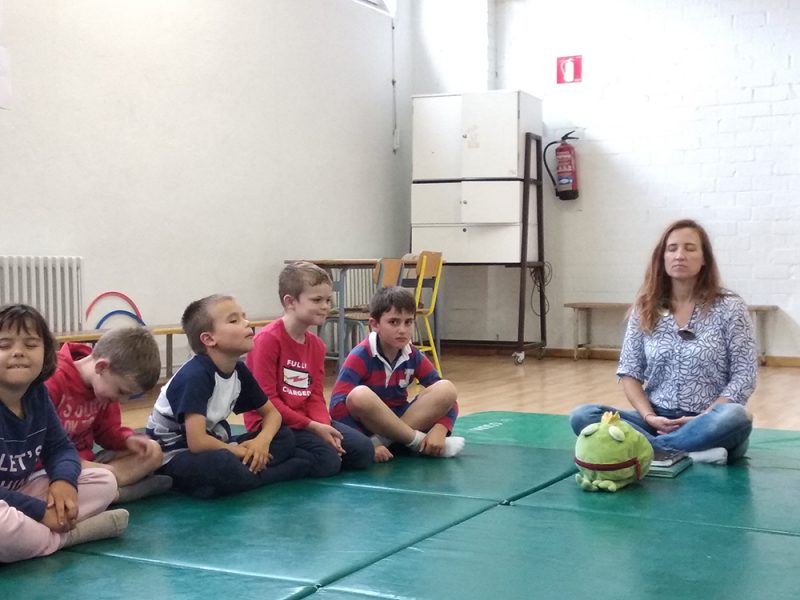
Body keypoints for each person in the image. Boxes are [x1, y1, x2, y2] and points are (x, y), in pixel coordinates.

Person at [569, 219, 757, 465]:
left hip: (709, 421)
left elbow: (744, 376)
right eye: (672, 248)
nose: (680, 255)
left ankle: (652, 450)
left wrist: (703, 417)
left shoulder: (730, 306)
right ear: (662, 257)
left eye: (690, 248)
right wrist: (648, 416)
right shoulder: (645, 306)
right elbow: (629, 372)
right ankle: (685, 452)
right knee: (583, 415)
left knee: (736, 417)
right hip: (655, 420)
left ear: (704, 259)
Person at [146, 294, 312, 498]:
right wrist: (240, 452)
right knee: (222, 464)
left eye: (244, 316)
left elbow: (273, 414)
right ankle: (275, 472)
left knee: (284, 436)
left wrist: (262, 442)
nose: (247, 323)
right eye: (234, 320)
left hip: (216, 443)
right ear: (209, 339)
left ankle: (246, 472)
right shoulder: (195, 375)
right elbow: (197, 442)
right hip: (177, 454)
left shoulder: (238, 370)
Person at [0, 304, 128, 563]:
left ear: (47, 353)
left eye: (31, 344)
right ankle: (66, 537)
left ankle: (34, 535)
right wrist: (39, 511)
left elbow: (60, 448)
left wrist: (63, 482)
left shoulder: (38, 395)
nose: (18, 352)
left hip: (20, 492)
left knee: (104, 481)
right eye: (4, 345)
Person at [243, 262, 373, 477]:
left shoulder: (317, 346)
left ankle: (310, 452)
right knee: (328, 461)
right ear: (290, 302)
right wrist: (313, 427)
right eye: (317, 300)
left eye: (328, 300)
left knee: (363, 451)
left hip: (306, 423)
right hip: (272, 426)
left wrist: (324, 427)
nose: (325, 306)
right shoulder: (267, 340)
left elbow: (315, 396)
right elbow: (267, 401)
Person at [329, 286, 465, 462]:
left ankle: (390, 440)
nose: (402, 329)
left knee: (446, 388)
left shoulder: (413, 355)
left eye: (408, 322)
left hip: (402, 418)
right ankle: (416, 441)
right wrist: (363, 441)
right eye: (394, 322)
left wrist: (441, 428)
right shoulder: (361, 355)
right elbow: (337, 406)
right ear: (375, 325)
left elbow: (448, 401)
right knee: (359, 395)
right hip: (370, 426)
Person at [45, 327, 172, 503]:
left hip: (89, 462)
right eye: (121, 391)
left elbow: (108, 431)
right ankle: (117, 492)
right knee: (104, 475)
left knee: (154, 452)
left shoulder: (103, 391)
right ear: (101, 367)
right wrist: (100, 469)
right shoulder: (54, 379)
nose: (123, 400)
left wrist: (128, 439)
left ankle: (109, 488)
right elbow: (39, 446)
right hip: (57, 463)